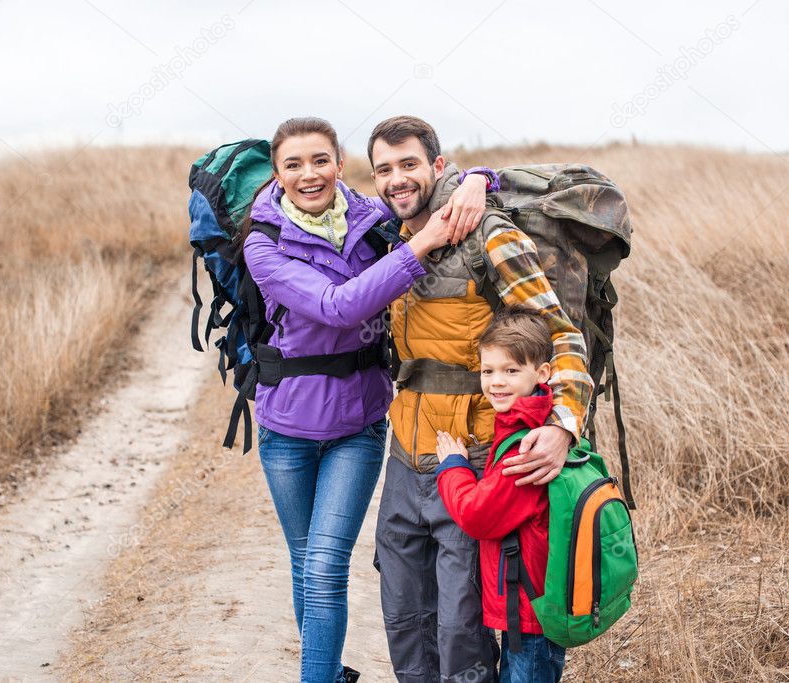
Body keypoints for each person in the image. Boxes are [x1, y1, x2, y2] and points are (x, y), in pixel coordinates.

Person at [242, 116, 492, 683]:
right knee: (307, 564)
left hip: (358, 425)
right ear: (276, 174)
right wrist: (423, 245)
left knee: (326, 567)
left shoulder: (369, 216)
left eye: (321, 160)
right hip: (285, 430)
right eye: (294, 164)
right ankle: (326, 671)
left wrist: (479, 177)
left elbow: (421, 188)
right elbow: (338, 306)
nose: (310, 174)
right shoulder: (263, 244)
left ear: (339, 162)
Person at [368, 116, 594, 682]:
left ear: (437, 167)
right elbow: (306, 189)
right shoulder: (391, 233)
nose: (397, 179)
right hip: (405, 449)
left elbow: (560, 334)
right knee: (402, 614)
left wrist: (564, 426)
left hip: (473, 452)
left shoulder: (489, 234)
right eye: (384, 169)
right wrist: (480, 175)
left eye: (409, 165)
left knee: (460, 628)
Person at [435, 305, 567, 682]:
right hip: (528, 605)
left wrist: (454, 468)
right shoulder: (529, 422)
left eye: (511, 370)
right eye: (488, 370)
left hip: (531, 611)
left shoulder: (527, 447)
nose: (496, 382)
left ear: (542, 373)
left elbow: (479, 514)